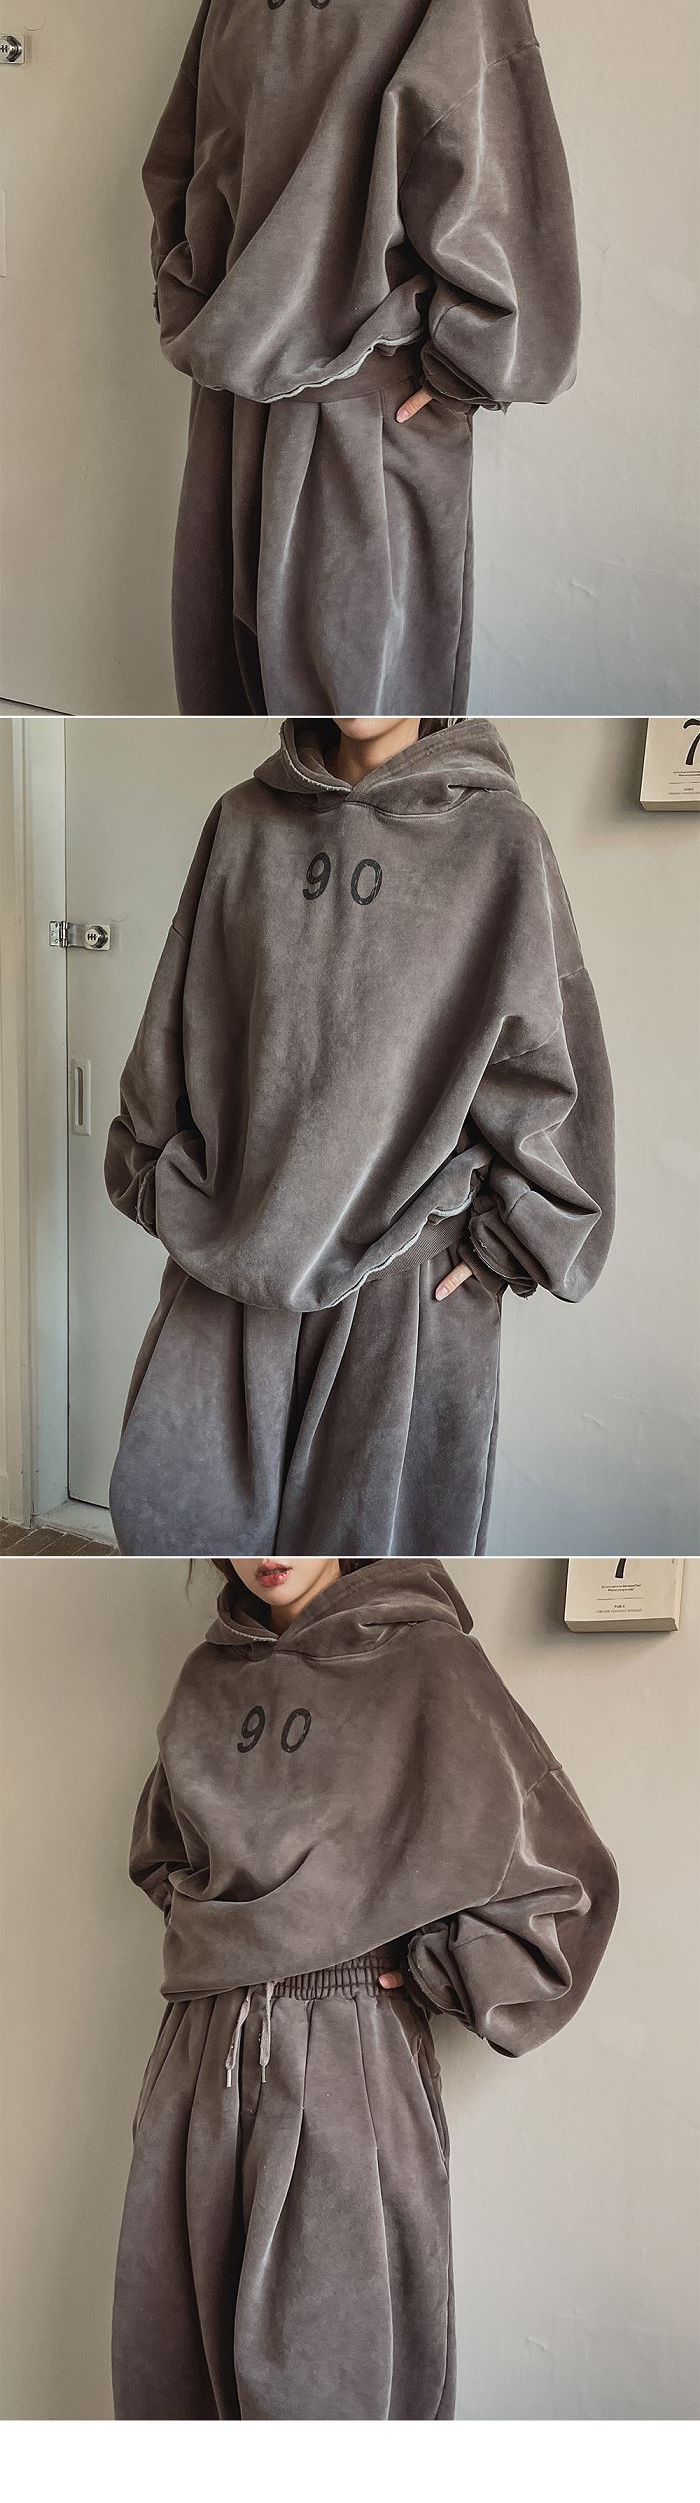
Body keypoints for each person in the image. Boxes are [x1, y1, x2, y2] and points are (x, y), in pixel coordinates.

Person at [111, 1553, 619, 2420]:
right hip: (196, 2054)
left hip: (350, 2054)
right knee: (176, 2378)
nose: (269, 1544)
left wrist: (422, 1966)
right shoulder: (206, 1676)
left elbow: (566, 1886)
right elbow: (161, 1856)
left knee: (333, 2390)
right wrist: (231, 1946)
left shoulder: (430, 1663)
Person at [104, 714, 614, 1556]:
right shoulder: (243, 819)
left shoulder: (502, 839)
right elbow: (179, 1015)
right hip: (227, 1261)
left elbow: (549, 1068)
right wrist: (161, 1182)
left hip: (405, 1288)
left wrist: (507, 1246)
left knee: (371, 1558)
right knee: (176, 1529)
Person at [144, 0, 580, 715]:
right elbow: (186, 151)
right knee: (223, 690)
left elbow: (491, 157)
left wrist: (465, 366)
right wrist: (189, 299)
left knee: (369, 692)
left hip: (362, 406)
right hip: (225, 398)